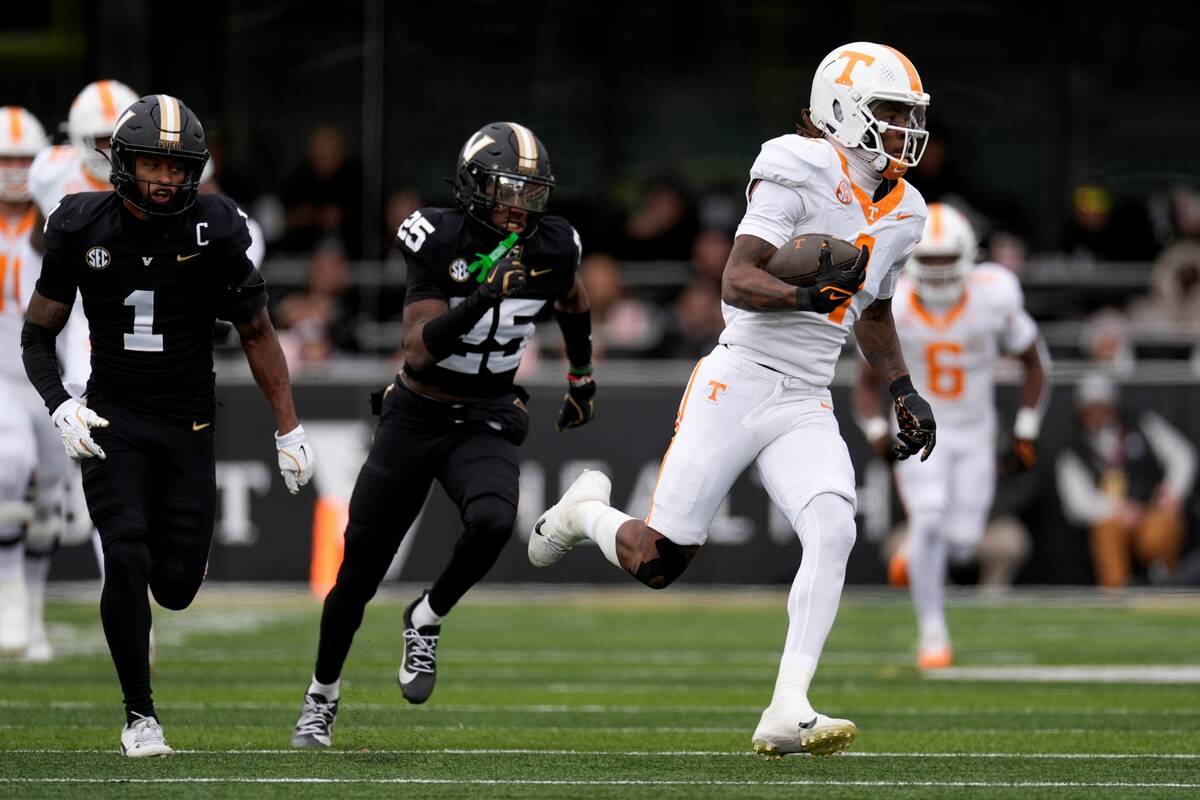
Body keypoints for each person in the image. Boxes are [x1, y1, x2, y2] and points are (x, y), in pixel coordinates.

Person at [529, 42, 937, 758]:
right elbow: (738, 280)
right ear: (843, 109)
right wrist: (811, 296)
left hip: (807, 394)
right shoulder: (798, 163)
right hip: (739, 379)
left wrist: (903, 387)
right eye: (890, 111)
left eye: (910, 115)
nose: (905, 129)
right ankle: (585, 513)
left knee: (834, 526)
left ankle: (787, 706)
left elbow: (873, 312)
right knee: (659, 561)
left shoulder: (907, 209)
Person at [20, 94, 315, 756]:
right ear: (123, 163)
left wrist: (288, 428)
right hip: (112, 414)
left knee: (176, 588)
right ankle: (140, 716)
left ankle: (168, 568)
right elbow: (37, 334)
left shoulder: (215, 227)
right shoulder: (79, 223)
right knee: (124, 554)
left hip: (189, 422)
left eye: (178, 167)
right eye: (153, 163)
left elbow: (256, 329)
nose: (164, 179)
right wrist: (61, 404)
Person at [290, 121, 594, 749]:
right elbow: (418, 349)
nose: (520, 206)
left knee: (493, 519)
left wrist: (582, 375)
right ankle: (322, 694)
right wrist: (482, 297)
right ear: (474, 186)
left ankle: (426, 616)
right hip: (417, 412)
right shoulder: (438, 236)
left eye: (531, 193)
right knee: (358, 574)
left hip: (485, 413)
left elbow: (572, 298)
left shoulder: (555, 245)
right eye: (507, 190)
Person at [854, 202, 1048, 669]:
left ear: (967, 255)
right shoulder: (893, 302)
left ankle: (913, 554)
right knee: (930, 517)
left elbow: (1035, 363)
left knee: (961, 543)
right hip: (920, 430)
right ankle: (933, 635)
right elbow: (864, 381)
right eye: (930, 259)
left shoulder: (994, 294)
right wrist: (878, 430)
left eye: (946, 259)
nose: (939, 270)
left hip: (975, 433)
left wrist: (1026, 430)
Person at [0, 105, 61, 658]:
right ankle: (10, 589)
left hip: (46, 372)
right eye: (6, 159)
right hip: (0, 373)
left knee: (52, 500)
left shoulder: (61, 219)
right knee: (11, 464)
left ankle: (33, 611)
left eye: (25, 159)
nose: (16, 170)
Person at [1056, 373, 1195, 588]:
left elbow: (1182, 456)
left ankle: (1166, 583)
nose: (1097, 415)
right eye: (1090, 409)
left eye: (1101, 407)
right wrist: (1116, 509)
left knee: (1161, 528)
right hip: (1112, 519)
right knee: (1105, 531)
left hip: (1151, 509)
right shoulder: (1072, 453)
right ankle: (1117, 595)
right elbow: (1076, 505)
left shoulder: (1143, 425)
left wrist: (1171, 492)